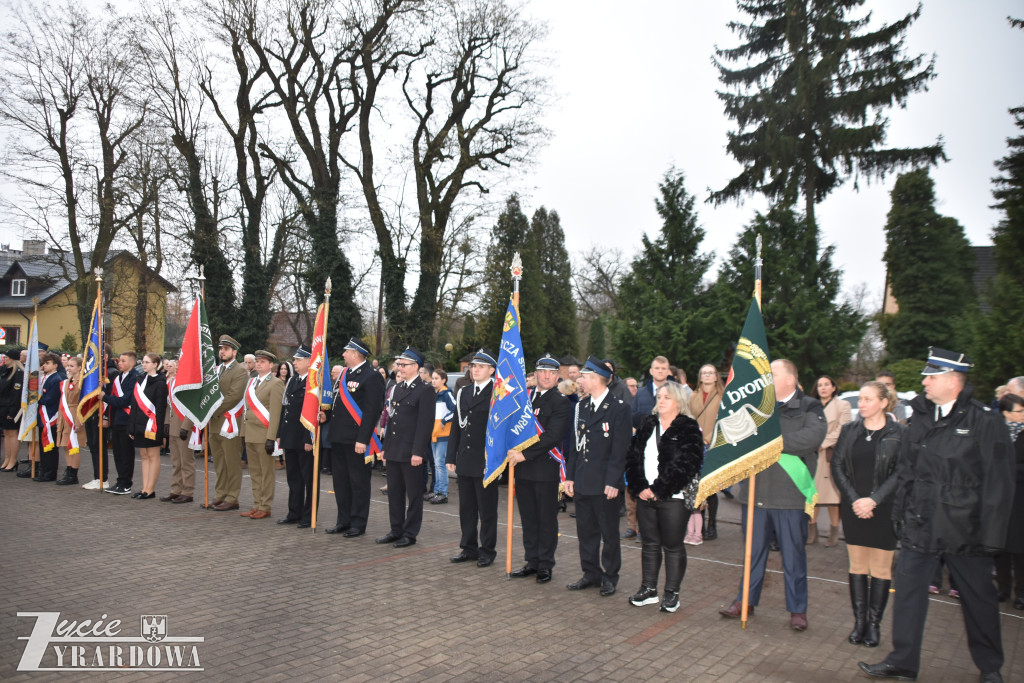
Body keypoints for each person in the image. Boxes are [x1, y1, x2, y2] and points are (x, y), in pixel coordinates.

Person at [860, 348, 1014, 683]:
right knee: (909, 598)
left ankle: (990, 667)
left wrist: (992, 537)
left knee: (979, 601)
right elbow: (906, 471)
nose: (924, 382)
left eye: (931, 376)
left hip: (965, 531)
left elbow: (999, 483)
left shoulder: (984, 421)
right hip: (919, 526)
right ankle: (903, 662)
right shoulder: (920, 418)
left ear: (952, 381)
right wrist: (899, 515)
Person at [719, 359, 826, 631]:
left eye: (773, 373)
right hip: (755, 494)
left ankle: (797, 610)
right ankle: (745, 601)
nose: (767, 378)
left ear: (790, 379)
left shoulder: (810, 406)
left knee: (793, 557)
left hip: (788, 496)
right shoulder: (758, 405)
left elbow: (812, 438)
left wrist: (771, 441)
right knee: (752, 555)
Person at [831, 381, 905, 648]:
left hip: (884, 509)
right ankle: (859, 623)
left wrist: (873, 500)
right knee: (858, 567)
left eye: (867, 399)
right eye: (860, 399)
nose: (861, 404)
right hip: (854, 508)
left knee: (881, 570)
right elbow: (837, 465)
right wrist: (855, 500)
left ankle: (874, 625)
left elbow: (901, 472)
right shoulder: (849, 430)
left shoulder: (899, 433)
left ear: (884, 402)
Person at [625, 382, 704, 613]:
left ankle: (672, 593)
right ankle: (649, 589)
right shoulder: (648, 424)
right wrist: (640, 486)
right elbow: (632, 457)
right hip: (645, 495)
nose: (661, 401)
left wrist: (659, 489)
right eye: (659, 397)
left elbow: (688, 464)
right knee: (649, 544)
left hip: (674, 497)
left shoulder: (688, 427)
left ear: (678, 401)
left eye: (667, 397)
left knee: (672, 545)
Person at [565, 355, 631, 597]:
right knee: (586, 532)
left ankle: (610, 576)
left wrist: (614, 482)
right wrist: (570, 477)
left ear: (596, 379)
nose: (579, 379)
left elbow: (620, 449)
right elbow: (575, 445)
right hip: (582, 480)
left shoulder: (619, 409)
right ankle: (590, 573)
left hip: (605, 484)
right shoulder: (582, 406)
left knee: (609, 533)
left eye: (583, 376)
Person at [510, 354, 571, 584]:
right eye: (542, 372)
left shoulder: (561, 402)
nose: (546, 376)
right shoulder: (524, 399)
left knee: (546, 520)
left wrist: (523, 454)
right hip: (523, 471)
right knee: (528, 518)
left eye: (551, 373)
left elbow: (552, 437)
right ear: (535, 374)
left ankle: (545, 564)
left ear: (557, 377)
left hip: (545, 470)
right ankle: (531, 561)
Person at [324, 337, 385, 537]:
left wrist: (363, 439)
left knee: (358, 482)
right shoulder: (344, 375)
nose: (343, 355)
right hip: (338, 436)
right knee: (340, 482)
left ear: (356, 353)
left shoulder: (371, 376)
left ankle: (358, 523)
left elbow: (371, 411)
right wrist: (326, 414)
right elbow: (338, 404)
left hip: (356, 440)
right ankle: (343, 520)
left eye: (346, 352)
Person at [376, 347, 434, 547]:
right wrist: (385, 447)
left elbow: (425, 425)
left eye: (403, 364)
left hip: (412, 452)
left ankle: (410, 533)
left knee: (414, 494)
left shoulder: (425, 390)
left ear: (416, 366)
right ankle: (396, 529)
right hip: (394, 449)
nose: (399, 367)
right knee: (394, 492)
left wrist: (418, 452)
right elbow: (392, 419)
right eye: (399, 364)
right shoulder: (397, 388)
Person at [447, 349, 499, 567]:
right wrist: (452, 455)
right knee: (466, 508)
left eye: (480, 367)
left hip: (486, 460)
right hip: (466, 458)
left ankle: (487, 550)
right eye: (473, 366)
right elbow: (456, 429)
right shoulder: (464, 392)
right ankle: (468, 548)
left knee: (486, 510)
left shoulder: (498, 394)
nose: (475, 370)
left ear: (491, 370)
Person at [205, 336, 248, 511]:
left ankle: (232, 497)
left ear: (234, 352)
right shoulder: (216, 370)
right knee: (219, 462)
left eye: (226, 349)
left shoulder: (239, 371)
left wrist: (211, 411)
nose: (222, 351)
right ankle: (220, 494)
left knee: (232, 461)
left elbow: (234, 396)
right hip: (214, 423)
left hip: (229, 423)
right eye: (221, 348)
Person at [241, 350, 284, 519]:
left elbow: (275, 412)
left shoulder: (276, 383)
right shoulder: (251, 382)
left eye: (263, 362)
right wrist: (244, 434)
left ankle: (265, 506)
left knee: (266, 472)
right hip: (250, 433)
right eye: (257, 361)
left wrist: (271, 438)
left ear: (271, 365)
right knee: (255, 472)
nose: (259, 364)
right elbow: (246, 410)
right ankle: (256, 503)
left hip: (264, 433)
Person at [810, 374, 852, 546]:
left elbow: (843, 429)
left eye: (827, 384)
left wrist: (823, 443)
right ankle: (812, 531)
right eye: (820, 385)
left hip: (830, 455)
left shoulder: (843, 405)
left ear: (834, 387)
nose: (823, 388)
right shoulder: (811, 406)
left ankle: (834, 532)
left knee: (832, 498)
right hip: (811, 455)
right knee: (812, 497)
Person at [277, 345, 314, 528]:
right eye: (295, 359)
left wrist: (310, 439)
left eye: (298, 360)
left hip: (303, 438)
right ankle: (294, 512)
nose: (295, 362)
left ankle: (307, 516)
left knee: (308, 479)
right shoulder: (292, 381)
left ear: (309, 361)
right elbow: (285, 408)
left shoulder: (313, 383)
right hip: (290, 435)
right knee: (293, 478)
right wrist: (279, 434)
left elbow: (313, 412)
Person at [689, 364, 724, 542]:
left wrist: (709, 437)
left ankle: (712, 524)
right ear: (700, 376)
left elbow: (724, 420)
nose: (708, 376)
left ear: (716, 377)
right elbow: (687, 418)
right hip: (694, 445)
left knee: (711, 488)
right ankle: (699, 524)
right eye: (704, 373)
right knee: (696, 487)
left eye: (711, 373)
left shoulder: (722, 397)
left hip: (714, 445)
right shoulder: (693, 396)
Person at [995, 393, 1024, 609]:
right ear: (1005, 412)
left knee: (1019, 549)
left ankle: (1021, 593)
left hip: (1020, 500)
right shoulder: (997, 433)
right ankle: (1003, 589)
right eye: (1019, 411)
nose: (1023, 414)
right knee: (1000, 548)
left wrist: (1007, 471)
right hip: (998, 500)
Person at [127, 353, 168, 499]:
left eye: (147, 362)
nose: (144, 365)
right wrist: (131, 426)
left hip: (152, 426)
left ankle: (150, 489)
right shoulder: (140, 381)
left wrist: (160, 431)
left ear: (156, 364)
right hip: (139, 424)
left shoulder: (161, 383)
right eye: (143, 362)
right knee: (144, 455)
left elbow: (161, 408)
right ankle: (144, 488)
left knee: (152, 455)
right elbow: (134, 405)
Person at [163, 359, 196, 503]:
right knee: (176, 461)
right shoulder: (171, 383)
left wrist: (186, 426)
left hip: (183, 427)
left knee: (186, 461)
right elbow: (169, 405)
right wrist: (166, 422)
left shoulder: (188, 384)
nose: (171, 367)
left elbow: (192, 406)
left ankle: (187, 491)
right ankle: (175, 489)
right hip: (172, 425)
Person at [54, 356, 85, 485]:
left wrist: (79, 421)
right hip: (65, 414)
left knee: (74, 446)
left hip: (75, 414)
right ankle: (68, 469)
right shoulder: (67, 381)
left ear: (79, 367)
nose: (69, 368)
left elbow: (83, 403)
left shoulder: (82, 382)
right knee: (66, 445)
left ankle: (74, 473)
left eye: (72, 366)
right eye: (68, 366)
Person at [35, 352, 65, 482]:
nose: (44, 366)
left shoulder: (56, 379)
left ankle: (50, 472)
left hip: (50, 416)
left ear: (55, 365)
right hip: (43, 416)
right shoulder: (45, 378)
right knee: (43, 445)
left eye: (47, 363)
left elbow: (51, 399)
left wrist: (36, 399)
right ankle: (44, 470)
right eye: (43, 363)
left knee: (50, 447)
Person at [428, 368, 455, 505]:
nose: (433, 381)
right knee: (437, 464)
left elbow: (455, 410)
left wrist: (444, 420)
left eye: (436, 378)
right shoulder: (434, 394)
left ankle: (443, 493)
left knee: (440, 464)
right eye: (432, 378)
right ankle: (437, 489)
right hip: (434, 434)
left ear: (443, 380)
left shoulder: (446, 394)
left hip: (443, 435)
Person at [0, 348, 24, 472]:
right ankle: (7, 459)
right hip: (3, 406)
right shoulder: (5, 370)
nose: (5, 359)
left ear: (12, 359)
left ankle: (13, 460)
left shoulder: (18, 372)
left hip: (11, 407)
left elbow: (16, 393)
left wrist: (12, 411)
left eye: (7, 357)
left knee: (12, 434)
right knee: (6, 434)